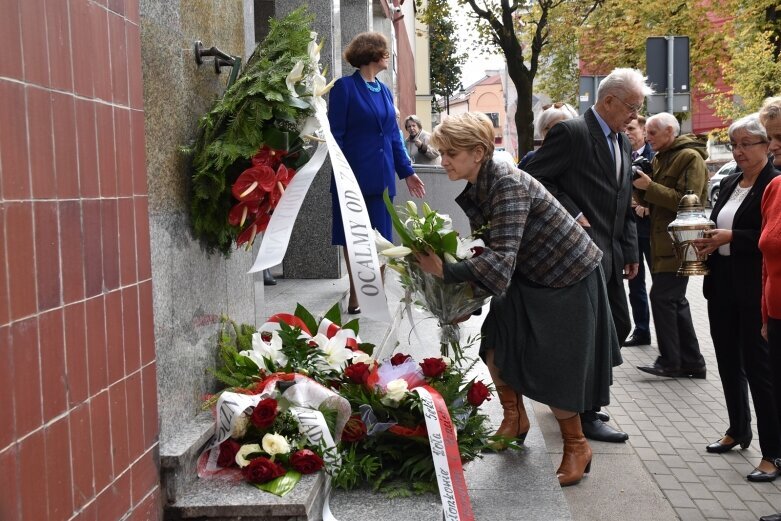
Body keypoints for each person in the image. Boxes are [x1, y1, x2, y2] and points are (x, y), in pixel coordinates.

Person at [416, 112, 621, 487]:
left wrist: (446, 273)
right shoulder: (483, 181)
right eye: (442, 152)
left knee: (555, 367)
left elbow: (500, 258)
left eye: (450, 153)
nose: (443, 160)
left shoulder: (506, 183)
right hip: (527, 276)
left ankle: (577, 446)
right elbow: (495, 254)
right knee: (495, 345)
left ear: (478, 152)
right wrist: (467, 302)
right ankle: (514, 419)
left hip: (566, 278)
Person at [525, 67, 652, 443]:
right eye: (631, 107)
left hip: (611, 252)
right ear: (608, 100)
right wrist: (572, 212)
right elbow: (534, 178)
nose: (635, 116)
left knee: (618, 326)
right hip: (578, 254)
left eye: (639, 108)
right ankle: (586, 412)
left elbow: (622, 201)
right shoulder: (573, 132)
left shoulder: (623, 142)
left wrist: (629, 250)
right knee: (592, 335)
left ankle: (582, 401)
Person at [693, 114, 781, 482]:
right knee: (728, 360)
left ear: (766, 146)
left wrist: (731, 238)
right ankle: (737, 429)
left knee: (759, 370)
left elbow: (767, 236)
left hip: (755, 286)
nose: (740, 150)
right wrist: (706, 239)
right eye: (734, 144)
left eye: (747, 143)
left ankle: (772, 453)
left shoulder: (773, 183)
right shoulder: (730, 182)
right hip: (723, 282)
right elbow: (721, 223)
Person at [328, 32, 426, 313]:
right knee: (354, 236)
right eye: (384, 52)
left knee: (381, 237)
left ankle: (375, 292)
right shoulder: (344, 88)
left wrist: (406, 171)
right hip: (353, 178)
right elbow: (337, 137)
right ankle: (359, 292)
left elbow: (394, 136)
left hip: (382, 179)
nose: (388, 57)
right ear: (372, 54)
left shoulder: (383, 90)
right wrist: (343, 175)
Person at [632, 112, 708, 378]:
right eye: (648, 132)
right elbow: (655, 199)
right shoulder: (661, 157)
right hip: (664, 242)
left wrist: (649, 186)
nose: (648, 137)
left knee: (663, 298)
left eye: (653, 132)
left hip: (681, 243)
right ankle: (692, 362)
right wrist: (639, 187)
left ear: (670, 132)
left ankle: (671, 361)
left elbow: (689, 201)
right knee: (674, 300)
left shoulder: (689, 157)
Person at [759, 97, 781, 520]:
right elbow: (767, 259)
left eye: (777, 137)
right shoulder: (775, 188)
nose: (773, 146)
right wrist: (764, 316)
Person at [624, 115, 654, 346]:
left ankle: (666, 334)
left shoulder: (655, 157)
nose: (628, 133)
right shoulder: (621, 154)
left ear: (644, 131)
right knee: (635, 283)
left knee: (661, 286)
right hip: (630, 231)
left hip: (651, 230)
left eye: (632, 129)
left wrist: (646, 206)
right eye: (625, 129)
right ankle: (641, 330)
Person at [518, 102, 578, 169]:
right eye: (546, 128)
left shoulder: (582, 159)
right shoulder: (531, 159)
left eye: (559, 127)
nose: (551, 132)